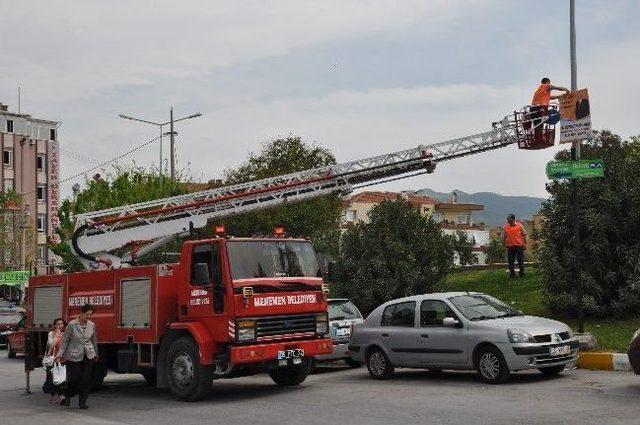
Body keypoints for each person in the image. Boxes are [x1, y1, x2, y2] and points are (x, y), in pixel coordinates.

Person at [55, 304, 98, 409]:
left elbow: (93, 340)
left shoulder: (91, 325)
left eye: (90, 314)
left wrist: (96, 353)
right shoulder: (72, 324)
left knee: (86, 379)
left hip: (88, 354)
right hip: (73, 355)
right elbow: (65, 340)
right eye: (87, 314)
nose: (88, 316)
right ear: (82, 313)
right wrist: (59, 354)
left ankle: (82, 402)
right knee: (75, 377)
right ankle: (68, 395)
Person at [43, 318, 66, 404]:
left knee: (62, 378)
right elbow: (51, 344)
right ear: (54, 325)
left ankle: (61, 396)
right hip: (52, 359)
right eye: (58, 324)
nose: (60, 326)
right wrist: (56, 336)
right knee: (51, 377)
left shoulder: (65, 334)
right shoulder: (51, 334)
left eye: (61, 324)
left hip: (61, 358)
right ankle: (53, 396)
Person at [502, 214, 527, 278]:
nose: (507, 220)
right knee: (510, 261)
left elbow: (524, 235)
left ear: (513, 219)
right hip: (510, 247)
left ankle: (521, 273)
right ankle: (512, 274)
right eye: (507, 218)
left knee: (520, 260)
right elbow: (503, 237)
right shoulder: (505, 227)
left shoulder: (520, 226)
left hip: (519, 246)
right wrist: (503, 245)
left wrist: (525, 244)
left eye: (509, 218)